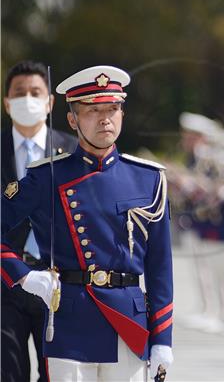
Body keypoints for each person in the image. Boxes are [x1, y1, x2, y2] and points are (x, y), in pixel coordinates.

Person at [1, 65, 173, 382]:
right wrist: (24, 277)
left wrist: (162, 338)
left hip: (128, 324)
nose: (105, 118)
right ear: (72, 119)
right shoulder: (48, 175)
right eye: (93, 110)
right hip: (70, 321)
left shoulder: (148, 179)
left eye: (113, 108)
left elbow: (160, 266)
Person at [1, 60, 77, 382]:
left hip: (58, 284)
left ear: (50, 102)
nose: (27, 99)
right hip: (5, 283)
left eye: (35, 92)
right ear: (7, 103)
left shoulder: (73, 151)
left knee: (56, 374)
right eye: (19, 93)